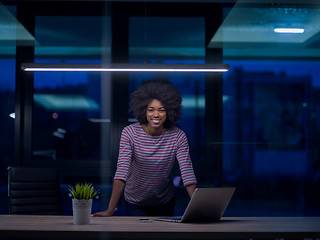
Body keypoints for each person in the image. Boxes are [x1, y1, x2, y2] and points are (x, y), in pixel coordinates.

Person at [93, 79, 197, 217]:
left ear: (169, 112)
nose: (156, 114)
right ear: (143, 110)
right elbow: (121, 173)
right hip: (135, 201)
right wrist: (110, 210)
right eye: (151, 109)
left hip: (164, 201)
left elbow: (187, 174)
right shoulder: (129, 133)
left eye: (161, 110)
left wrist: (199, 209)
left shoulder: (178, 136)